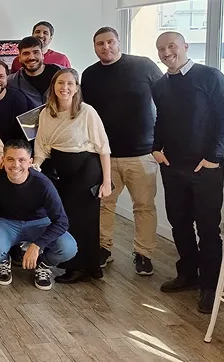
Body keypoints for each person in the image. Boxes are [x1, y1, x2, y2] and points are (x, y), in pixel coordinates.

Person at [152, 31, 224, 314]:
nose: (166, 53)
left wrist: (214, 157)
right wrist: (155, 147)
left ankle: (210, 287)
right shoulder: (161, 85)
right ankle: (188, 275)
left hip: (205, 168)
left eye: (171, 46)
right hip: (172, 166)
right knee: (179, 223)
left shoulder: (210, 76)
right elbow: (160, 119)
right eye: (161, 49)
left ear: (185, 46)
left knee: (208, 229)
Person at [81, 27, 163, 275]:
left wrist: (161, 144)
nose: (105, 47)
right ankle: (103, 249)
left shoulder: (144, 66)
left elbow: (167, 103)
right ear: (94, 47)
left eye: (110, 42)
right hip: (105, 156)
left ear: (119, 43)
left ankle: (143, 254)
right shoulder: (90, 75)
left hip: (142, 154)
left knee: (144, 206)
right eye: (100, 44)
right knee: (104, 205)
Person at [33, 68, 111, 284]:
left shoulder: (87, 112)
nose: (64, 88)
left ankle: (80, 268)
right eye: (60, 83)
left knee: (80, 219)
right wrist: (35, 167)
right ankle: (81, 264)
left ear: (76, 88)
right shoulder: (46, 113)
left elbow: (103, 148)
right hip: (62, 171)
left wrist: (106, 181)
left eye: (70, 84)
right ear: (53, 86)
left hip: (87, 169)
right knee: (66, 216)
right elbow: (42, 148)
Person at [0, 139, 77, 291]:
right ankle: (3, 262)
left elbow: (62, 221)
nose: (16, 165)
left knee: (68, 248)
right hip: (6, 222)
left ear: (30, 162)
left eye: (22, 160)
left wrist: (38, 245)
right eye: (10, 159)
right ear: (3, 160)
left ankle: (43, 265)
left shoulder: (43, 184)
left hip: (39, 222)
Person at [7, 36, 63, 109]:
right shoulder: (12, 82)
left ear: (42, 55)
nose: (31, 57)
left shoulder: (62, 74)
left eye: (36, 52)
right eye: (26, 53)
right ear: (19, 58)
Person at [0, 61, 29, 146]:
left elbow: (23, 135)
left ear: (7, 77)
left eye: (1, 76)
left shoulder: (18, 99)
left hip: (10, 151)